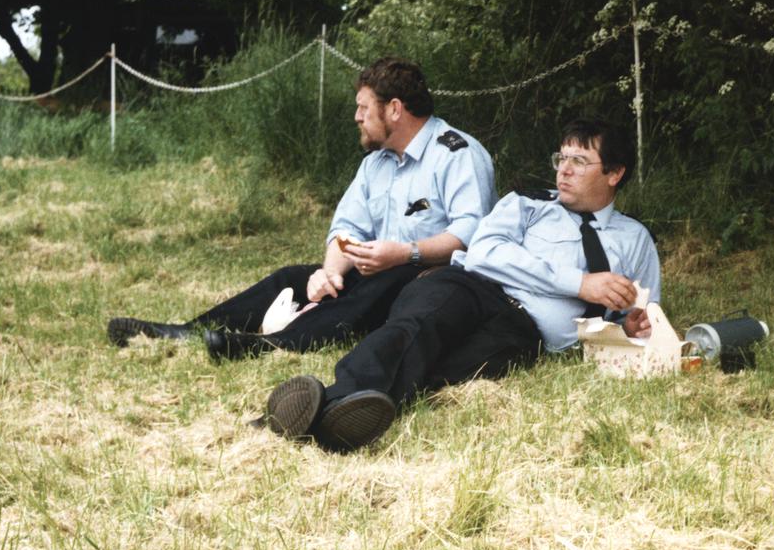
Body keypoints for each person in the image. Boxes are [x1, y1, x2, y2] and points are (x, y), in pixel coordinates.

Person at [257, 118, 661, 452]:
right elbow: (485, 251)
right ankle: (339, 396)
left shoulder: (635, 239)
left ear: (614, 173)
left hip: (525, 333)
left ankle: (326, 420)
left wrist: (628, 330)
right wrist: (580, 283)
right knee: (416, 330)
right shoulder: (529, 202)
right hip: (470, 288)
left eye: (580, 160)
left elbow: (643, 320)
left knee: (444, 368)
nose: (564, 169)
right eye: (562, 157)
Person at [106, 57, 496, 360]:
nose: (356, 117)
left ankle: (268, 345)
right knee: (291, 277)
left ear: (394, 109)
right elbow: (347, 228)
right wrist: (328, 273)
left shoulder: (457, 154)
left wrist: (406, 253)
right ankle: (187, 332)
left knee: (385, 282)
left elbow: (470, 234)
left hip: (431, 285)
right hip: (379, 270)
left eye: (363, 108)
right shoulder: (375, 164)